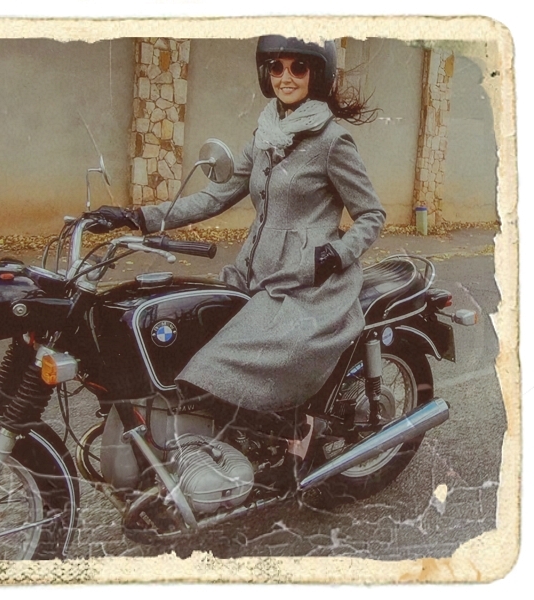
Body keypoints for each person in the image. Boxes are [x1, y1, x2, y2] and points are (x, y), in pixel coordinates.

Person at [94, 35, 385, 419]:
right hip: (254, 274)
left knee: (216, 367)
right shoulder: (264, 137)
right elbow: (213, 197)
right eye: (277, 67)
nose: (285, 77)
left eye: (298, 67)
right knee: (185, 336)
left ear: (317, 74)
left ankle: (295, 427)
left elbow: (372, 214)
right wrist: (137, 216)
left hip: (305, 284)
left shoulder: (332, 142)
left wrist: (335, 254)